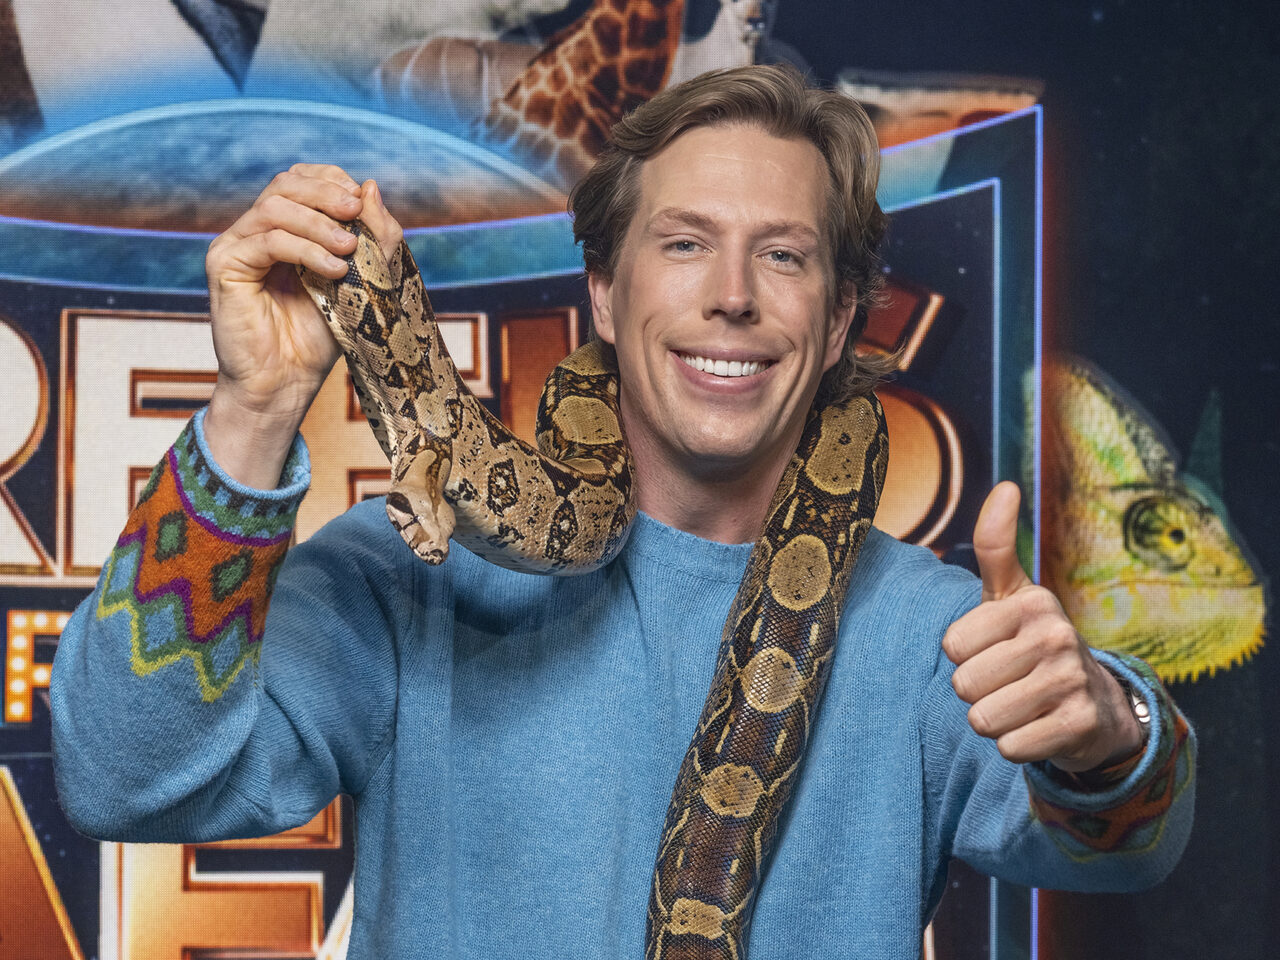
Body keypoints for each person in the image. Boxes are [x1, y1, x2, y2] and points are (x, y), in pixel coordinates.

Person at [50, 65, 1193, 959]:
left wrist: (1109, 732)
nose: (731, 296)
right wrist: (254, 411)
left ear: (841, 319)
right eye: (684, 243)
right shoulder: (407, 576)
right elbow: (120, 778)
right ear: (603, 289)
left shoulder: (932, 633)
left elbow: (1130, 848)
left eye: (782, 256)